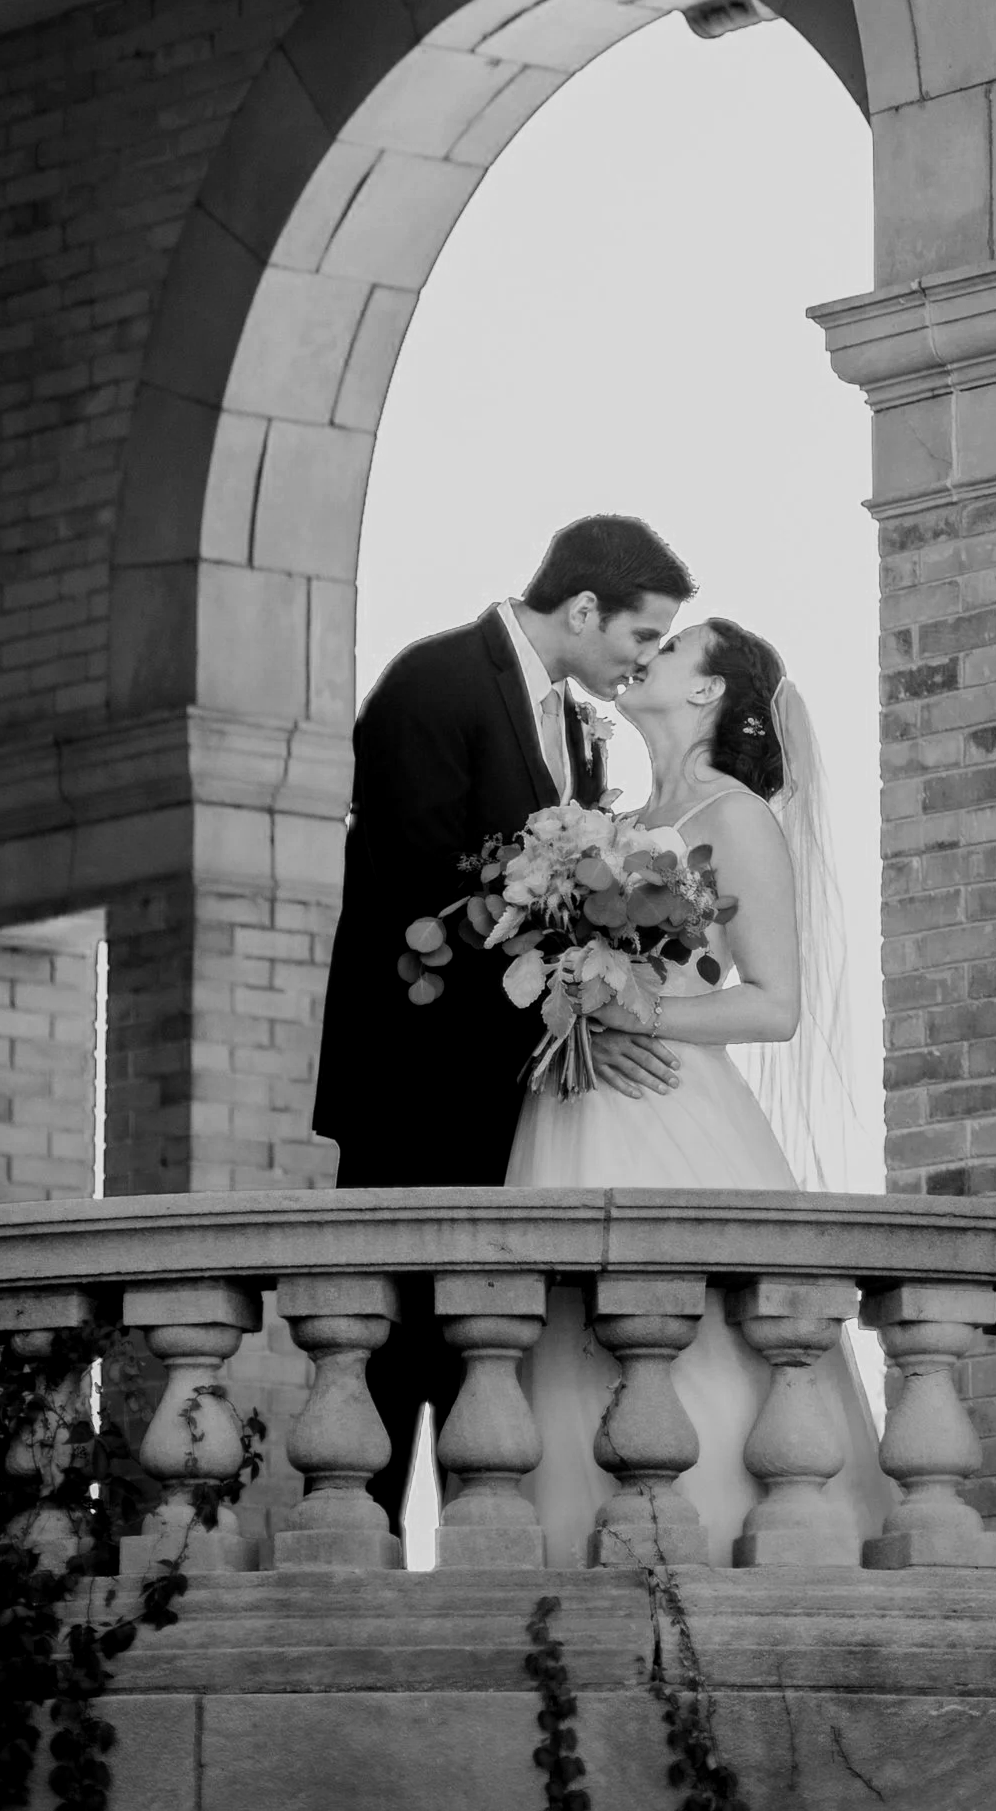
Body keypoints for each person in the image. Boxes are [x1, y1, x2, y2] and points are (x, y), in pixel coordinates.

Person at [312, 511, 695, 1524]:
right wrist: (557, 984)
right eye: (641, 636)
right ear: (582, 607)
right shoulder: (431, 682)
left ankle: (464, 1548)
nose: (642, 659)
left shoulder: (572, 725)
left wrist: (588, 975)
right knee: (393, 1333)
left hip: (509, 1083)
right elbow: (414, 882)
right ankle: (364, 1549)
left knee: (476, 1333)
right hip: (417, 1072)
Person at [507, 612, 887, 1565]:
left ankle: (712, 1550)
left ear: (710, 690)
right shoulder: (609, 821)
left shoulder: (734, 817)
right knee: (564, 1336)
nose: (648, 653)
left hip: (669, 1102)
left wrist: (634, 1018)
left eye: (672, 648)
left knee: (699, 1341)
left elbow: (775, 1005)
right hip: (572, 1102)